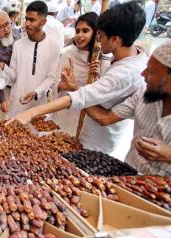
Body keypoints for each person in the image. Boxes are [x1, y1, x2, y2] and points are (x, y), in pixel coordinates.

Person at [8, 1, 147, 155]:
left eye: (99, 35)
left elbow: (90, 103)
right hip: (78, 128)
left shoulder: (123, 72)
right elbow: (72, 90)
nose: (98, 40)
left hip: (96, 144)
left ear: (115, 40)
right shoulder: (127, 60)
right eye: (77, 31)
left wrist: (32, 112)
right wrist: (68, 86)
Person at [85, 42, 171, 176]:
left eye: (151, 71)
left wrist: (168, 155)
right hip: (127, 176)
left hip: (161, 191)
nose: (143, 74)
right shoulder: (143, 93)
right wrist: (75, 93)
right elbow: (105, 118)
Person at [0, 0, 60, 118]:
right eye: (27, 19)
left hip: (38, 106)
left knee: (36, 135)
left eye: (32, 20)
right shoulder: (18, 45)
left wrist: (36, 92)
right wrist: (4, 67)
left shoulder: (54, 46)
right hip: (17, 105)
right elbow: (14, 76)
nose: (27, 24)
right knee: (13, 134)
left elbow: (52, 77)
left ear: (43, 22)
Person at [54, 12, 110, 135]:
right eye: (77, 31)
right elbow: (56, 80)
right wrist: (60, 85)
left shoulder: (101, 60)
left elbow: (103, 95)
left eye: (85, 31)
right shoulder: (68, 53)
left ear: (96, 33)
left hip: (86, 113)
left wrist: (97, 77)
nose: (79, 35)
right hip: (65, 110)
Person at [0, 10, 22, 114]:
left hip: (23, 83)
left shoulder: (17, 33)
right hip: (7, 88)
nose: (7, 29)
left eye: (8, 24)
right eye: (1, 27)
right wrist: (2, 100)